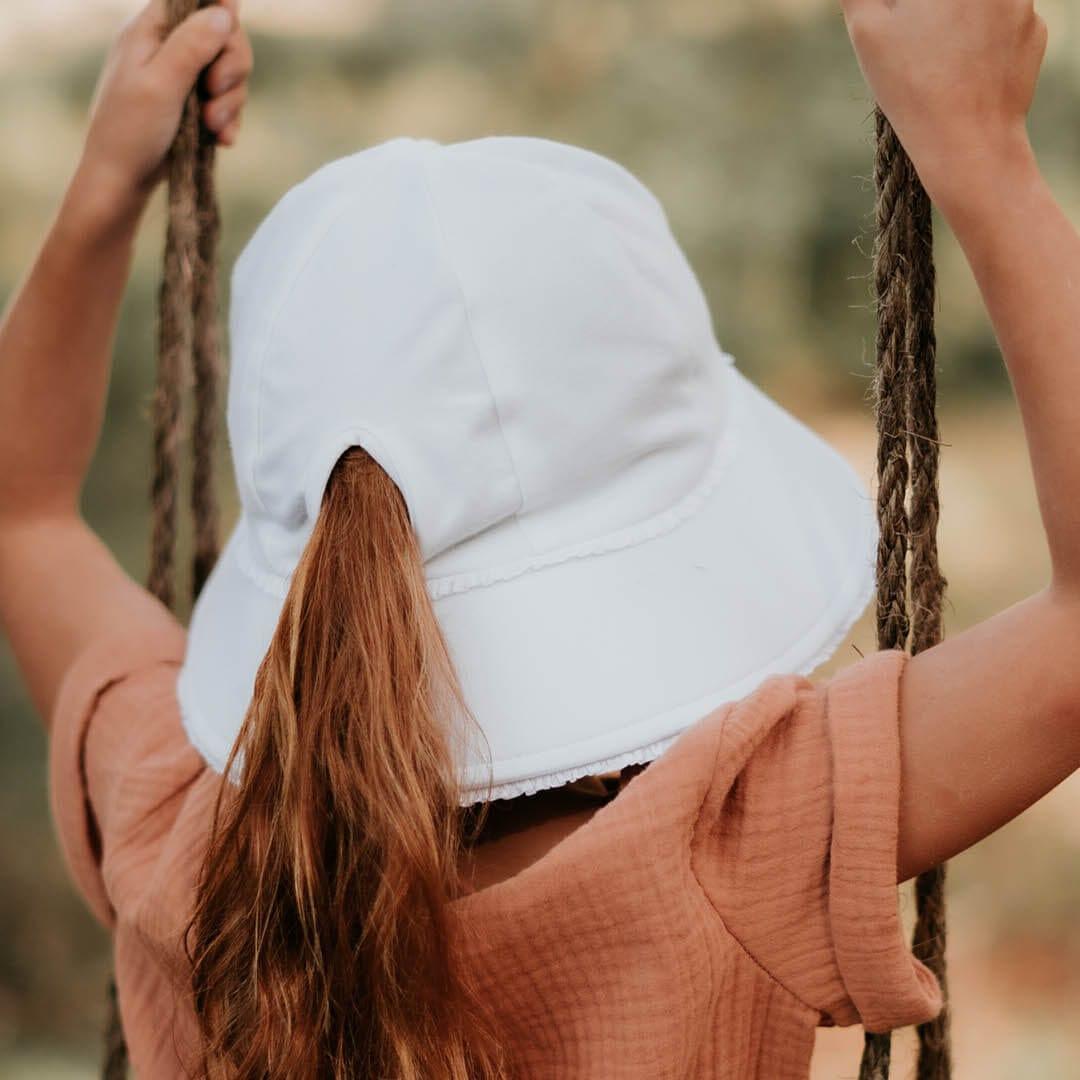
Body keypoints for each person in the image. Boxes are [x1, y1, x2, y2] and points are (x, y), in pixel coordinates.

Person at [0, 0, 1074, 1076]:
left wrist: (103, 188)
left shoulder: (180, 847)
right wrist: (981, 152)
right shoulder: (721, 860)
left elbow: (23, 514)